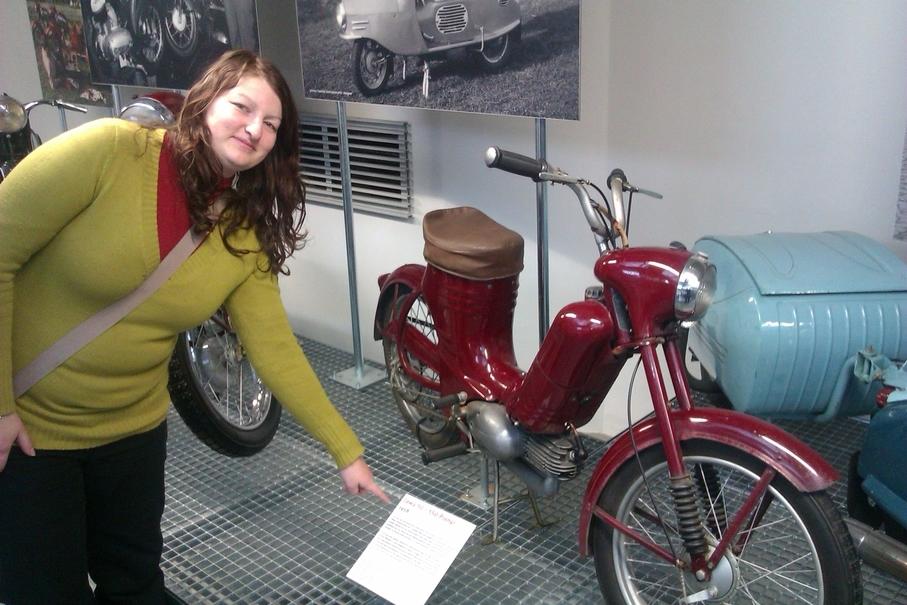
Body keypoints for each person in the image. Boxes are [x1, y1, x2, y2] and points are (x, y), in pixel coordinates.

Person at [0, 49, 389, 604]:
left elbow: (274, 347)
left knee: (135, 583)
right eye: (242, 107)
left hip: (133, 430)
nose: (254, 129)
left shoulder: (243, 229)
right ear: (205, 101)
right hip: (29, 429)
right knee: (46, 592)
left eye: (272, 124)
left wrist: (345, 451)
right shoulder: (110, 151)